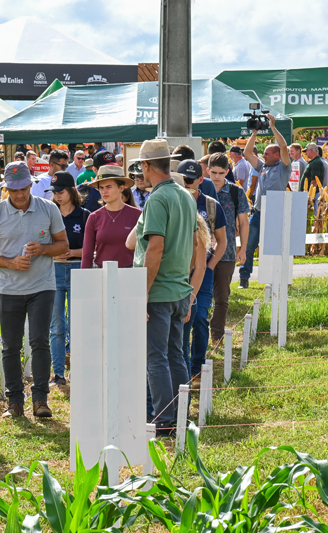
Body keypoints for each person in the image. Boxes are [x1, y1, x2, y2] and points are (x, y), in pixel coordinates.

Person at [0, 161, 69, 419]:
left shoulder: (48, 209)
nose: (19, 194)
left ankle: (40, 399)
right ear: (5, 188)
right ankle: (14, 402)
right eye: (13, 189)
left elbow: (63, 245)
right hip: (9, 288)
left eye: (23, 188)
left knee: (40, 341)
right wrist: (9, 263)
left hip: (42, 286)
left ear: (31, 184)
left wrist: (43, 249)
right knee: (10, 346)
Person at [128, 139, 196, 437]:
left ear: (145, 166)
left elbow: (154, 249)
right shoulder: (185, 194)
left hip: (158, 291)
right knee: (175, 355)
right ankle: (181, 414)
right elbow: (195, 245)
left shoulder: (157, 199)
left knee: (156, 357)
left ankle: (165, 419)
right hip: (180, 287)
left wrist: (142, 293)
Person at [179, 160, 227, 381]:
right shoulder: (173, 203)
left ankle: (197, 365)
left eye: (191, 179)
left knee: (199, 317)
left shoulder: (211, 205)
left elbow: (222, 241)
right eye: (183, 179)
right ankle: (181, 363)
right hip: (177, 270)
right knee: (181, 319)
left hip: (203, 270)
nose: (187, 183)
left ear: (201, 180)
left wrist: (209, 265)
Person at [45, 172, 89, 387]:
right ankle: (59, 374)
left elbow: (93, 249)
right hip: (53, 271)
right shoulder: (49, 214)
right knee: (56, 325)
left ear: (72, 190)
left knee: (77, 324)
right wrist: (53, 253)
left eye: (61, 192)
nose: (57, 196)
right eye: (54, 193)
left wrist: (72, 253)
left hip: (77, 270)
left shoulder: (84, 216)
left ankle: (79, 371)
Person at [238, 114, 292, 289]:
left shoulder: (284, 167)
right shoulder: (262, 167)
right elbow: (247, 153)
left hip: (276, 214)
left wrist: (273, 127)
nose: (264, 156)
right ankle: (244, 279)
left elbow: (284, 145)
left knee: (273, 248)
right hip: (258, 213)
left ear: (277, 155)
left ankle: (274, 278)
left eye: (267, 154)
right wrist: (254, 133)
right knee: (249, 246)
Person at [208, 153, 250, 349]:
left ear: (227, 171)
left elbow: (243, 222)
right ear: (207, 170)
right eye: (213, 172)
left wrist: (243, 249)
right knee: (201, 296)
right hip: (203, 252)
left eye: (221, 173)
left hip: (227, 253)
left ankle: (216, 336)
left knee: (222, 297)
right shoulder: (200, 189)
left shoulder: (236, 191)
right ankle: (200, 333)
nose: (217, 176)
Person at [81, 166, 141, 269]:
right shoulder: (93, 217)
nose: (104, 191)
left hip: (131, 273)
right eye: (101, 188)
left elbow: (145, 249)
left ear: (121, 188)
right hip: (101, 274)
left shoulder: (137, 215)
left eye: (109, 187)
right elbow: (87, 255)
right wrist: (85, 281)